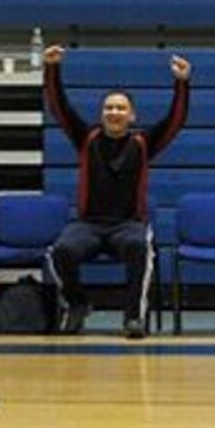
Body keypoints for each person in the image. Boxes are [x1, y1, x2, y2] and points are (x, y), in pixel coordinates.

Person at [40, 45, 191, 339]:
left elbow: (175, 120)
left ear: (132, 116)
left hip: (128, 225)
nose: (114, 112)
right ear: (101, 114)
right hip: (89, 225)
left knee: (140, 248)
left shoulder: (143, 143)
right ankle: (77, 304)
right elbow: (60, 107)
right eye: (108, 107)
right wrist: (52, 68)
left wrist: (182, 83)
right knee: (60, 251)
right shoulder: (87, 138)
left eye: (120, 108)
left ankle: (133, 317)